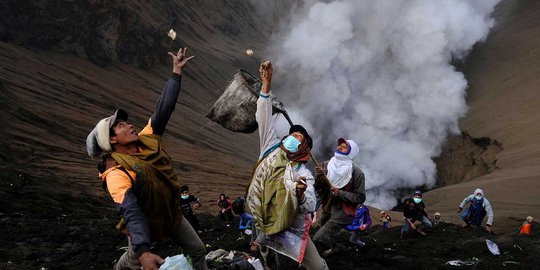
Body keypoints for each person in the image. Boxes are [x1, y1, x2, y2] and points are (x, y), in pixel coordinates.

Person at [86, 48, 208, 270]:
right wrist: (143, 250)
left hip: (170, 214)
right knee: (135, 260)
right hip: (146, 223)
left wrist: (176, 73)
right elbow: (131, 211)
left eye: (126, 122)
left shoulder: (147, 139)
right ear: (111, 140)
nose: (129, 125)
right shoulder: (116, 174)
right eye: (120, 125)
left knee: (199, 250)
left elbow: (164, 108)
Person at [246, 60, 327, 270]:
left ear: (304, 148)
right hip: (263, 213)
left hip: (290, 224)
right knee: (266, 254)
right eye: (293, 134)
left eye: (299, 137)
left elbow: (310, 205)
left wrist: (299, 195)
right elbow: (263, 118)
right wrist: (266, 85)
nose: (293, 138)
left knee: (316, 266)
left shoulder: (302, 173)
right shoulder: (270, 149)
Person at [313, 138, 366, 256]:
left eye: (345, 146)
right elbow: (318, 187)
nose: (339, 147)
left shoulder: (356, 173)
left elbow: (360, 198)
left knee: (318, 238)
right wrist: (319, 176)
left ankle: (337, 250)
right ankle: (331, 249)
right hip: (327, 208)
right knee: (325, 231)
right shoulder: (325, 165)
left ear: (351, 153)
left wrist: (340, 194)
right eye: (339, 145)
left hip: (342, 213)